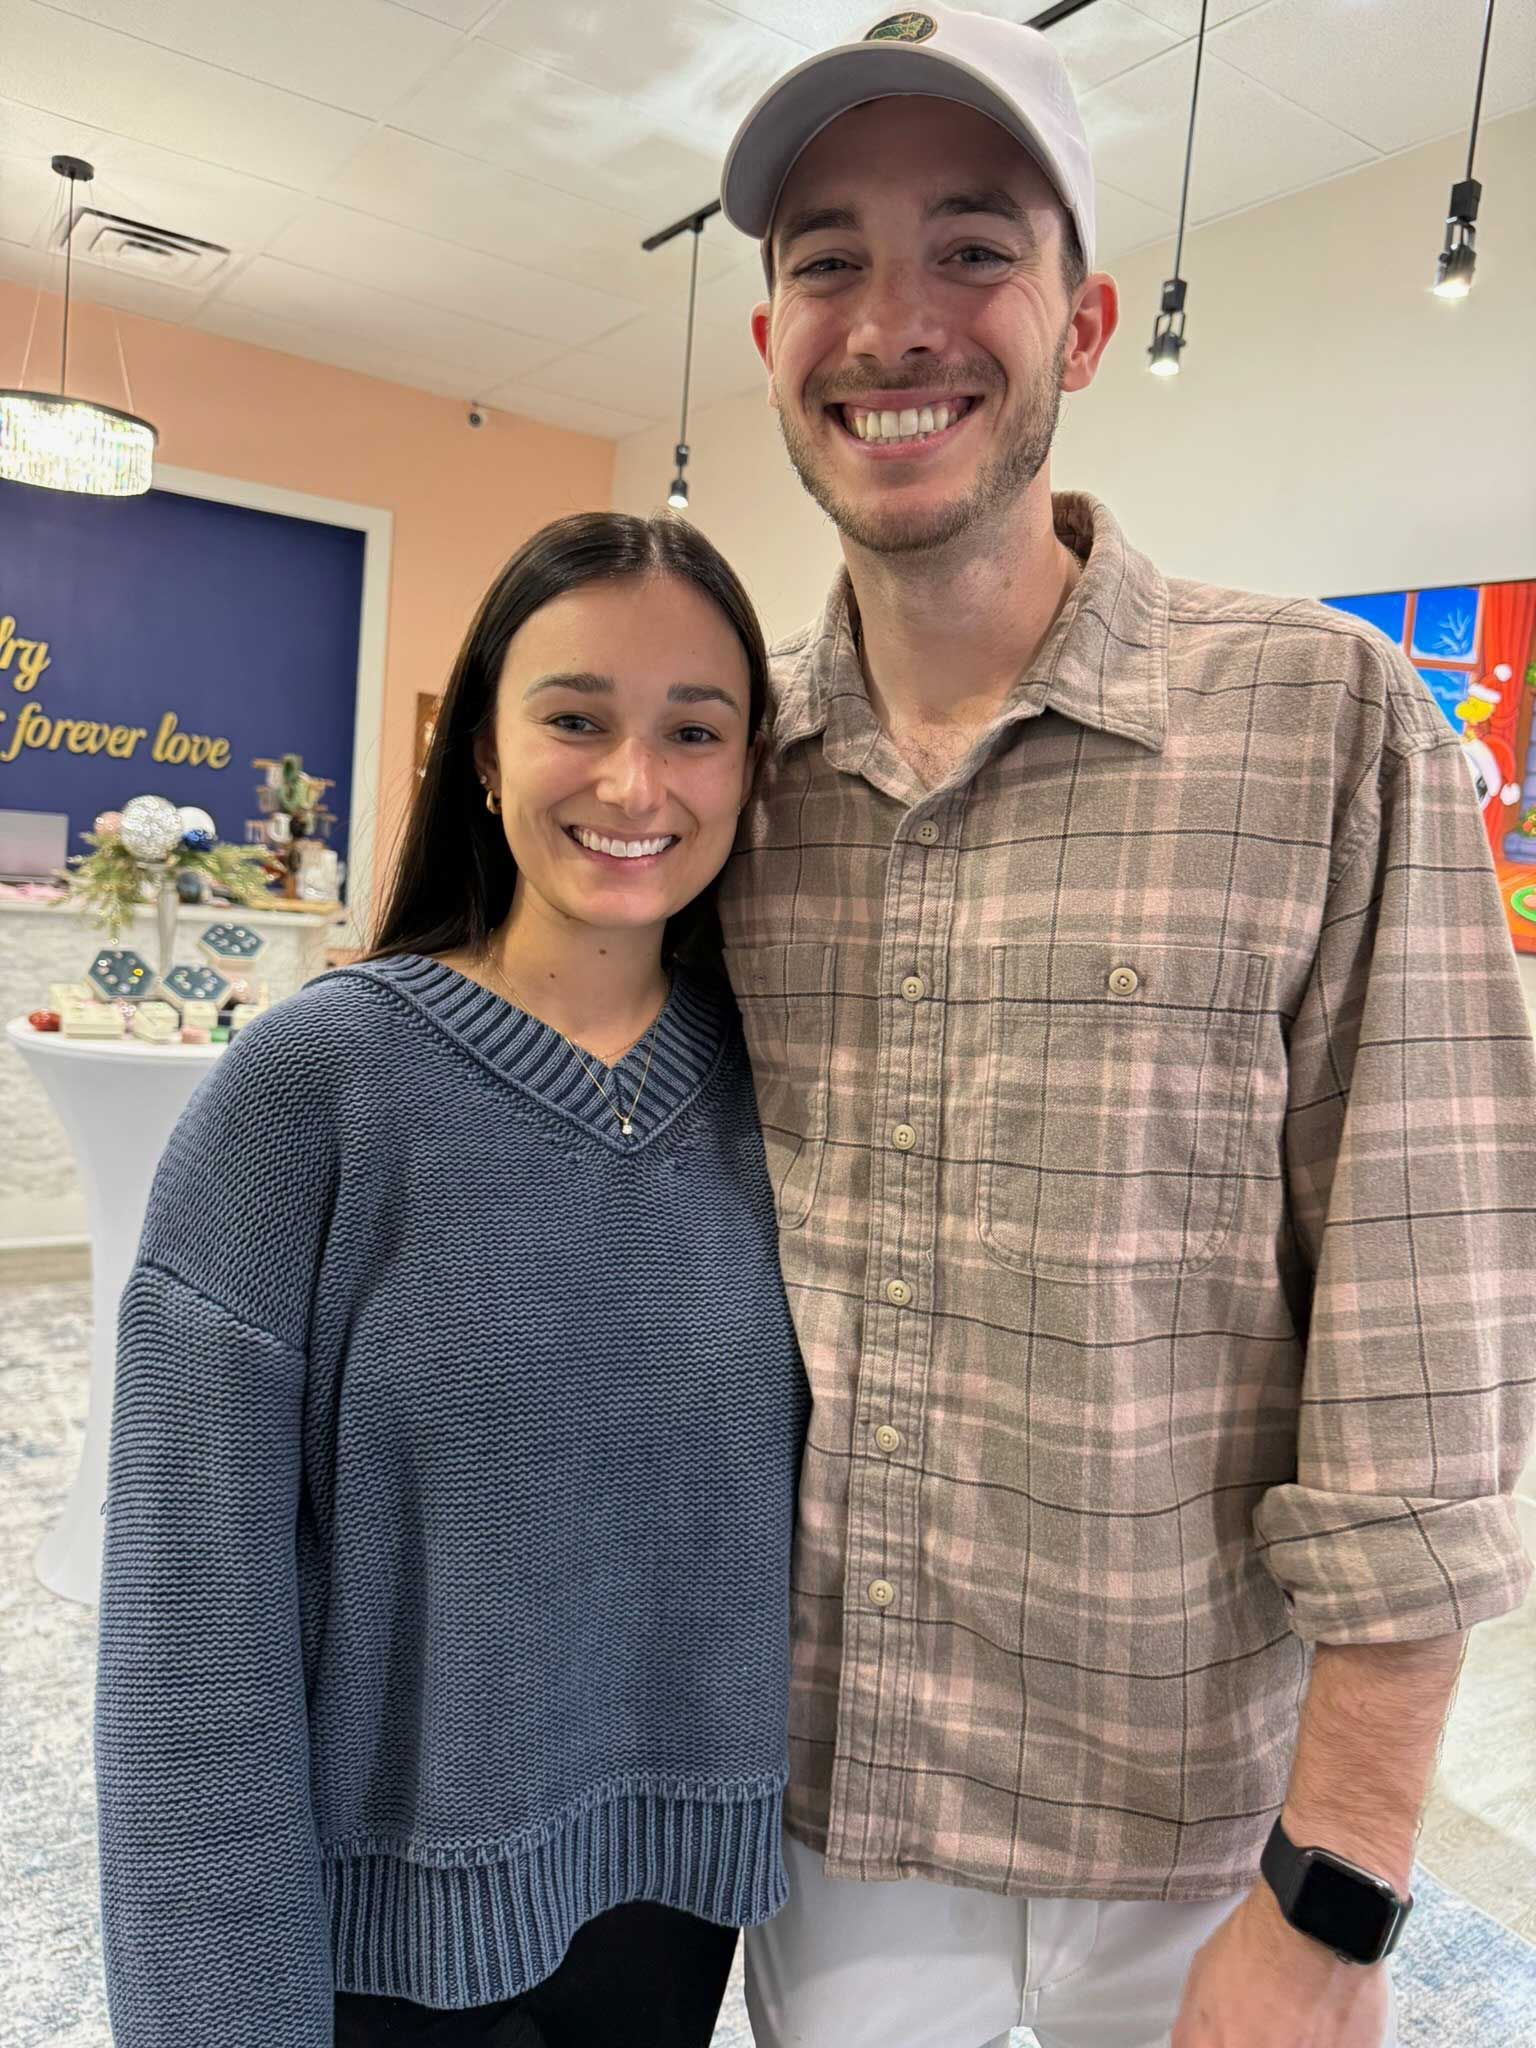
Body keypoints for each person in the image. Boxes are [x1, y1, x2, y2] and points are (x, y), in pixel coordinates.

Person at [714, 10, 1536, 2048]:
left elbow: (1428, 1353)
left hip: (1198, 1834)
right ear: (770, 339)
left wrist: (1337, 1893)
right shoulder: (729, 775)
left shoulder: (1322, 721)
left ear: (1082, 324)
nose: (892, 321)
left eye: (972, 249)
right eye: (829, 259)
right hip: (830, 1815)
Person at [93, 513, 809, 2048]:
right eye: (576, 719)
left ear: (751, 771)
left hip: (675, 1936)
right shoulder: (312, 1092)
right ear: (483, 749)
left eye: (695, 730)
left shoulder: (786, 1097)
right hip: (375, 1966)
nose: (636, 784)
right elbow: (190, 1652)